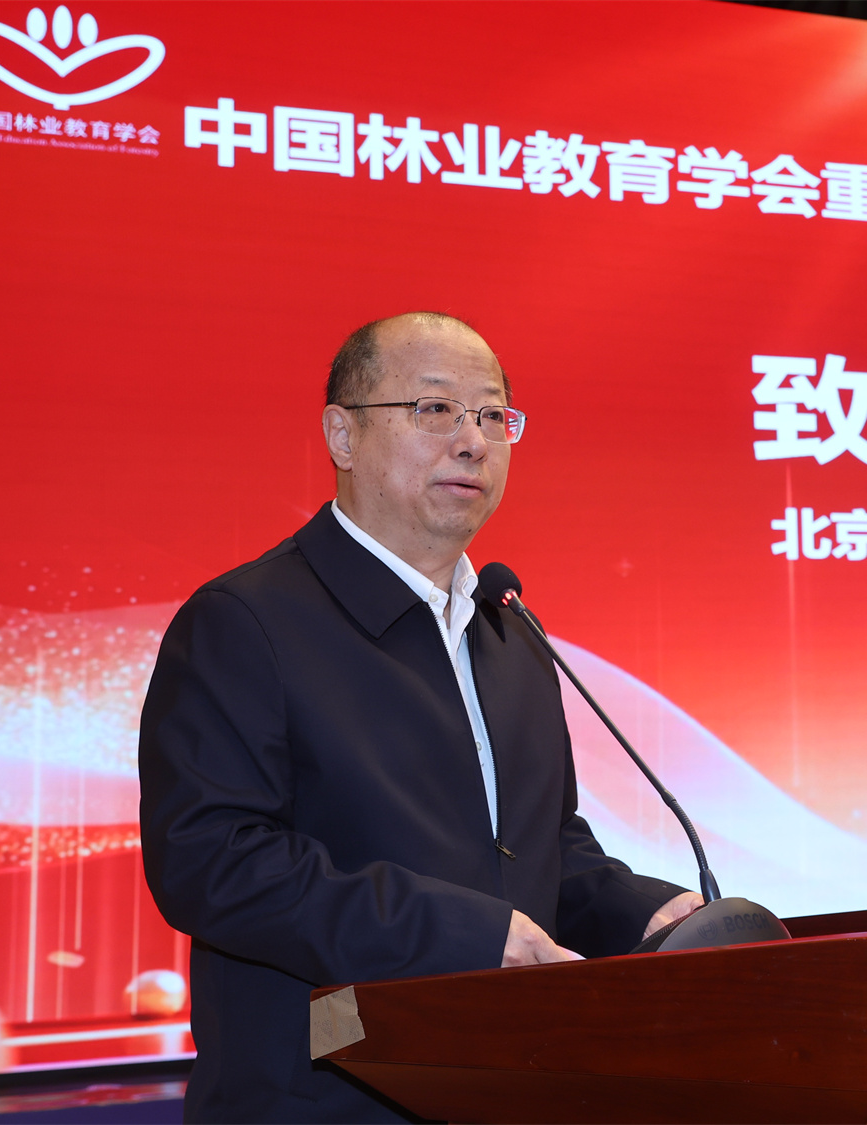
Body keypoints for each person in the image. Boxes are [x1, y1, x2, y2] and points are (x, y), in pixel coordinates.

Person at [138, 312, 703, 1122]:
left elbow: (541, 848)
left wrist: (645, 915)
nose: (472, 441)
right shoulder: (246, 620)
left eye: (493, 415)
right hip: (326, 1094)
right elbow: (212, 861)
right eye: (436, 409)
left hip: (508, 1086)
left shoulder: (508, 628)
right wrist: (465, 934)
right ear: (342, 435)